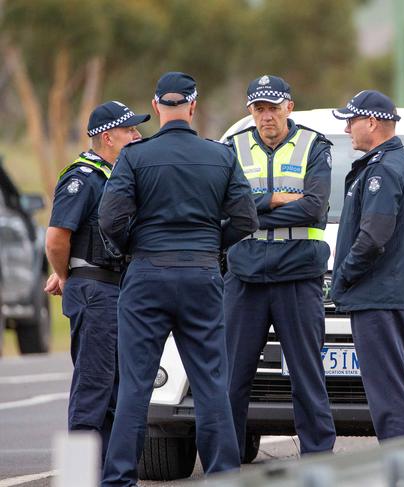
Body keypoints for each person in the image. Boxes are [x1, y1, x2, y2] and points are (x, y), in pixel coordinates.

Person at [98, 72, 257, 486]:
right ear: (193, 106)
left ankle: (118, 479)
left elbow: (110, 218)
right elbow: (245, 219)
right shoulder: (220, 157)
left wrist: (132, 249)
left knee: (135, 386)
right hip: (202, 274)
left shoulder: (134, 156)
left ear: (155, 108)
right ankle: (224, 476)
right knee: (210, 384)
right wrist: (210, 246)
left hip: (147, 274)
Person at [224, 74, 336, 460]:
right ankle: (228, 458)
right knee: (232, 379)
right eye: (259, 108)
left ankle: (318, 460)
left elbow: (314, 207)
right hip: (244, 278)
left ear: (289, 106)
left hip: (298, 276)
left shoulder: (314, 146)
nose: (266, 116)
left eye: (273, 107)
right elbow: (224, 211)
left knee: (307, 376)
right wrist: (276, 199)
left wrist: (251, 209)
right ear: (250, 111)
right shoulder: (232, 148)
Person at [44, 100, 150, 463]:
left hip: (117, 288)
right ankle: (78, 478)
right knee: (94, 389)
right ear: (108, 137)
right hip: (95, 289)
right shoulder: (83, 177)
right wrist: (64, 274)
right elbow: (57, 237)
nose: (137, 136)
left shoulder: (117, 174)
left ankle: (108, 475)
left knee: (117, 392)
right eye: (130, 130)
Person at [331, 90, 404, 440]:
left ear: (371, 122)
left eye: (350, 122)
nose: (346, 131)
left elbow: (373, 238)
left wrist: (342, 278)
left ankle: (401, 471)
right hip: (386, 297)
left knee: (387, 398)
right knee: (395, 392)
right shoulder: (392, 164)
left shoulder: (383, 171)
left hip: (378, 299)